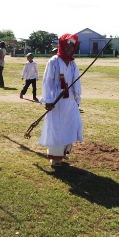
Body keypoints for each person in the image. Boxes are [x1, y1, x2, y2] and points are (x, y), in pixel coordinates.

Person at [38, 34, 83, 167]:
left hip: (70, 101)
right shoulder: (54, 61)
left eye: (72, 46)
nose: (69, 49)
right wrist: (48, 100)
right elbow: (47, 82)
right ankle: (55, 157)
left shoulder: (73, 63)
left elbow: (77, 81)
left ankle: (64, 151)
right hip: (57, 100)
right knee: (57, 128)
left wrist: (77, 97)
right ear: (62, 46)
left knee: (70, 125)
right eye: (67, 46)